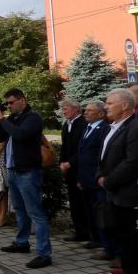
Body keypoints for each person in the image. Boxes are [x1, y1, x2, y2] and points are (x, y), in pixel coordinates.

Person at [0, 88, 52, 269]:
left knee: (35, 212)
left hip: (28, 171)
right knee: (19, 209)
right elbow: (0, 137)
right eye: (7, 103)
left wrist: (1, 118)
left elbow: (21, 135)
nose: (8, 106)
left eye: (11, 102)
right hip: (13, 170)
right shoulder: (12, 118)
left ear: (22, 100)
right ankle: (22, 242)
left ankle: (44, 253)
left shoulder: (33, 117)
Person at [96, 88, 138, 274]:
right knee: (122, 239)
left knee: (133, 242)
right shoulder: (113, 126)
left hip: (129, 196)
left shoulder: (135, 128)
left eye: (110, 103)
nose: (106, 106)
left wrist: (108, 181)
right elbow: (104, 158)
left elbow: (132, 162)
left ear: (125, 106)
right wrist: (99, 175)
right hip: (114, 194)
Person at [75, 101, 112, 257]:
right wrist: (80, 178)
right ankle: (98, 240)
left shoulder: (103, 128)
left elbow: (101, 156)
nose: (85, 112)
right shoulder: (87, 128)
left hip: (97, 181)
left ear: (100, 114)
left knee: (102, 214)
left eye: (90, 110)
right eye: (86, 110)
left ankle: (108, 247)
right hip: (86, 179)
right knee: (91, 212)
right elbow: (82, 155)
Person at [59, 99, 87, 242]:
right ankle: (79, 231)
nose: (64, 112)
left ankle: (88, 232)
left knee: (82, 201)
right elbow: (64, 146)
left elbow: (81, 148)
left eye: (66, 109)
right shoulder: (66, 124)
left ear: (76, 109)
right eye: (63, 109)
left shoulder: (82, 124)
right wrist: (62, 162)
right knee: (74, 201)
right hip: (69, 168)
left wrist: (70, 163)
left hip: (79, 168)